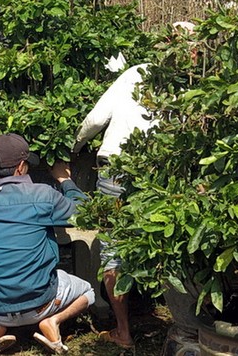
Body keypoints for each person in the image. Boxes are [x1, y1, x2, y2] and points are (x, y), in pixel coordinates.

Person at [0, 134, 95, 355]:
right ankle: (53, 322)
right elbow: (84, 212)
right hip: (42, 303)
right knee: (88, 292)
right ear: (21, 167)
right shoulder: (43, 196)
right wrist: (64, 179)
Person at [72, 63, 154, 349]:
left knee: (113, 248)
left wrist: (77, 145)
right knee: (155, 239)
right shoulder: (191, 83)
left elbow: (95, 120)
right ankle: (154, 312)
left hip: (117, 168)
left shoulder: (137, 72)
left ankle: (123, 331)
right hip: (155, 171)